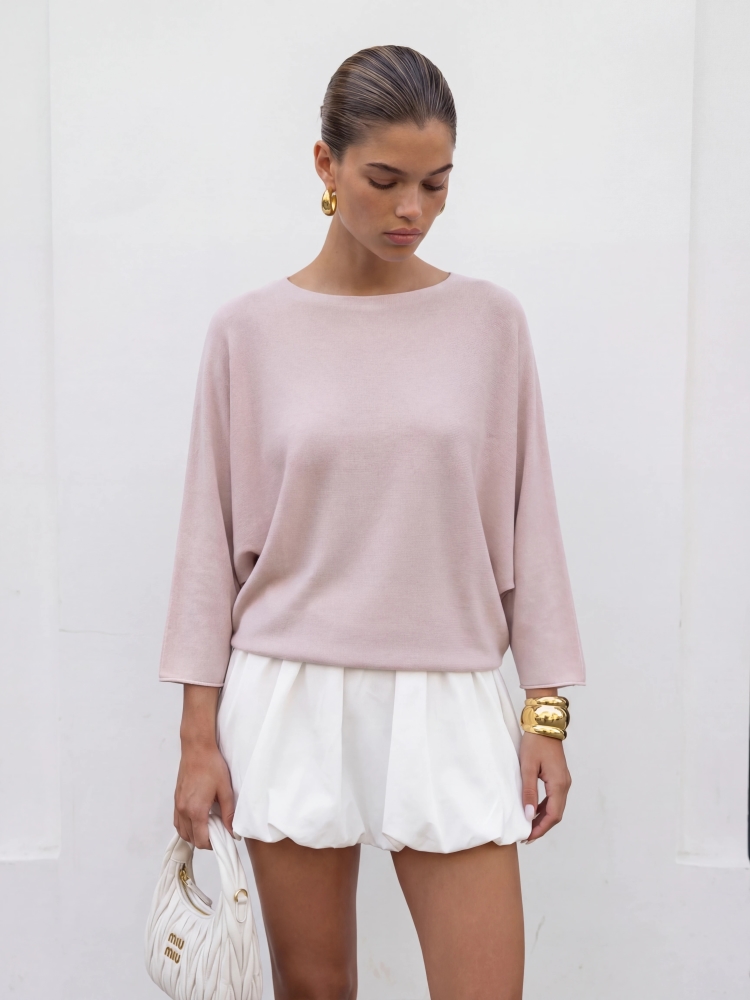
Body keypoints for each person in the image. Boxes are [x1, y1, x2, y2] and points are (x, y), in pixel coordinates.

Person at [160, 44, 585, 1000]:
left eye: (436, 185)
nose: (412, 211)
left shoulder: (490, 323)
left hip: (450, 694)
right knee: (315, 991)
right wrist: (197, 740)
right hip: (290, 693)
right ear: (326, 163)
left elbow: (533, 527)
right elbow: (205, 549)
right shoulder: (247, 332)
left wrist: (546, 709)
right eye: (385, 181)